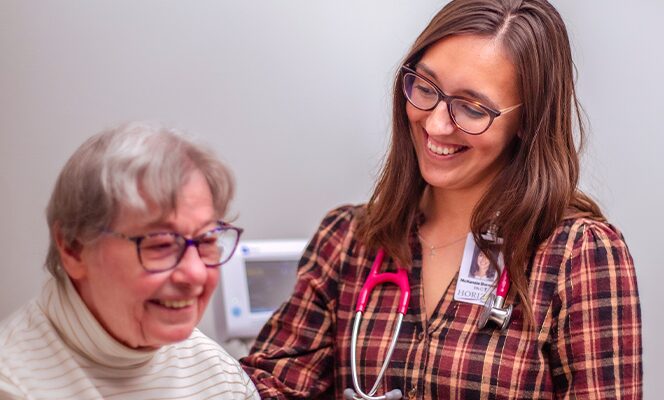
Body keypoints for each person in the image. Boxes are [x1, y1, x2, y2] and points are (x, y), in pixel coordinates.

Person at [240, 0, 642, 398]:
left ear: (527, 120)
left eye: (471, 108)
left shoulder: (578, 255)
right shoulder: (349, 241)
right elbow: (274, 387)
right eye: (426, 88)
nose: (435, 123)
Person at [0, 122, 259, 399]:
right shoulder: (13, 384)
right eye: (161, 244)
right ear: (74, 248)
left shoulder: (223, 375)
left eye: (207, 240)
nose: (195, 274)